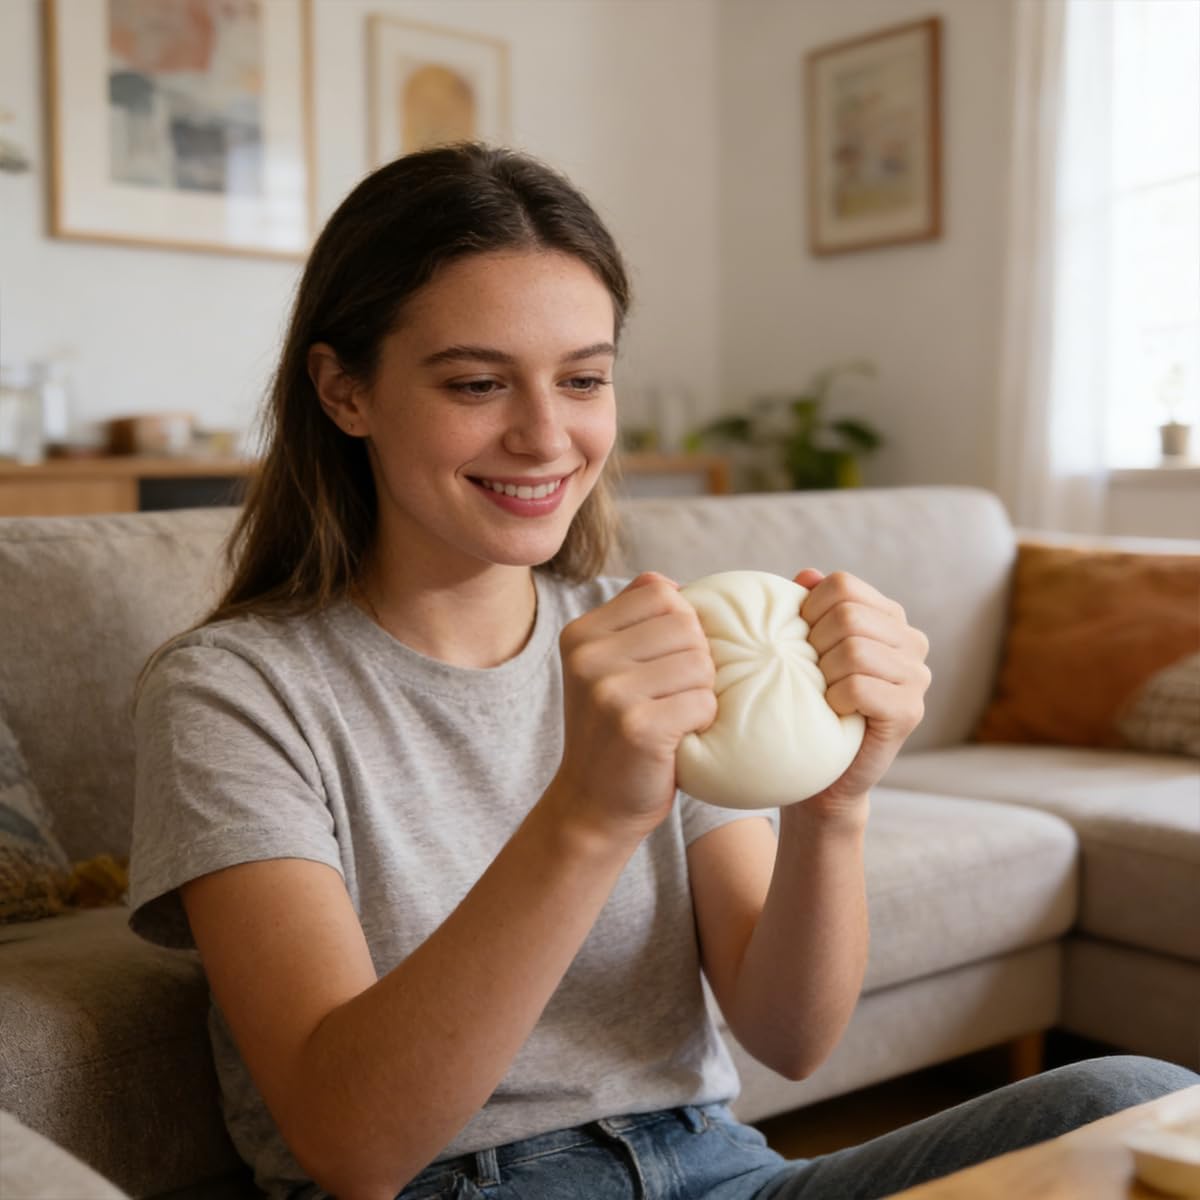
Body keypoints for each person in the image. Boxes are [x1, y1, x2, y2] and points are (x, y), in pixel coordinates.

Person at [128, 143, 1196, 1200]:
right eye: (477, 382)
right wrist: (589, 816)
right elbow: (352, 1148)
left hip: (718, 1170)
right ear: (344, 391)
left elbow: (790, 1037)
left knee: (1128, 1102)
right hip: (451, 1190)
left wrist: (834, 803)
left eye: (584, 379)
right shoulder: (233, 694)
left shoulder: (655, 633)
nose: (547, 436)